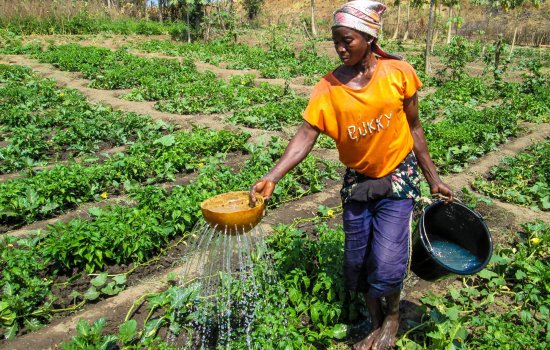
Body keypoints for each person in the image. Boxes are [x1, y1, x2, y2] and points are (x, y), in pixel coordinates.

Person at [249, 1, 453, 349]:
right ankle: (374, 322)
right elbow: (305, 136)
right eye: (336, 42)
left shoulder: (399, 73)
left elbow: (415, 128)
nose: (341, 48)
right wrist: (274, 175)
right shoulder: (328, 88)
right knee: (358, 260)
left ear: (369, 38)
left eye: (347, 41)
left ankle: (391, 319)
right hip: (359, 179)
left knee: (387, 260)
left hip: (398, 174)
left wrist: (432, 178)